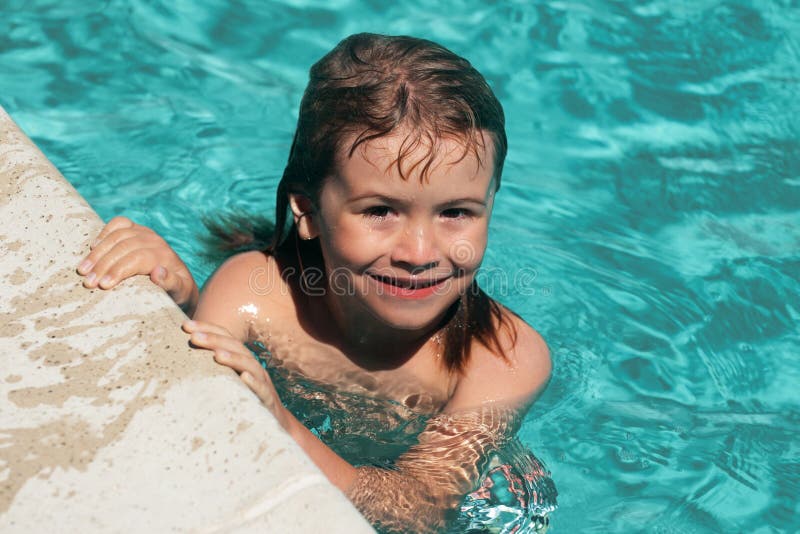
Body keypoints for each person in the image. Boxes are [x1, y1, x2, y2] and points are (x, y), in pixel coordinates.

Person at [77, 33, 555, 533]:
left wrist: (281, 426)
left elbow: (418, 513)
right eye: (380, 210)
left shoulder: (504, 359)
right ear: (308, 211)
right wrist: (177, 303)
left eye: (456, 212)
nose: (419, 253)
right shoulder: (254, 296)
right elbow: (192, 404)